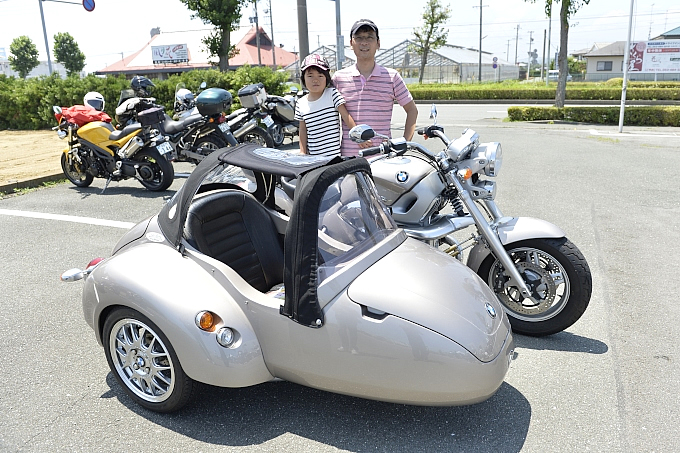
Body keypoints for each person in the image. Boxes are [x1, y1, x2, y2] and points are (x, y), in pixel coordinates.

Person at [332, 19, 418, 157]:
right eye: (359, 38)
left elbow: (412, 110)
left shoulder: (392, 77)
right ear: (351, 43)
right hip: (349, 159)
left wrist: (404, 143)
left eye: (369, 37)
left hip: (383, 158)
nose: (364, 42)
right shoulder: (338, 78)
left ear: (378, 43)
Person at [295, 54, 357, 157]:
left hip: (334, 157)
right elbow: (302, 129)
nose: (315, 80)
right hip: (313, 159)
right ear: (303, 78)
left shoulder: (332, 94)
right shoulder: (300, 103)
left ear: (327, 78)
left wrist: (358, 136)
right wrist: (302, 151)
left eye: (320, 75)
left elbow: (346, 116)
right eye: (310, 76)